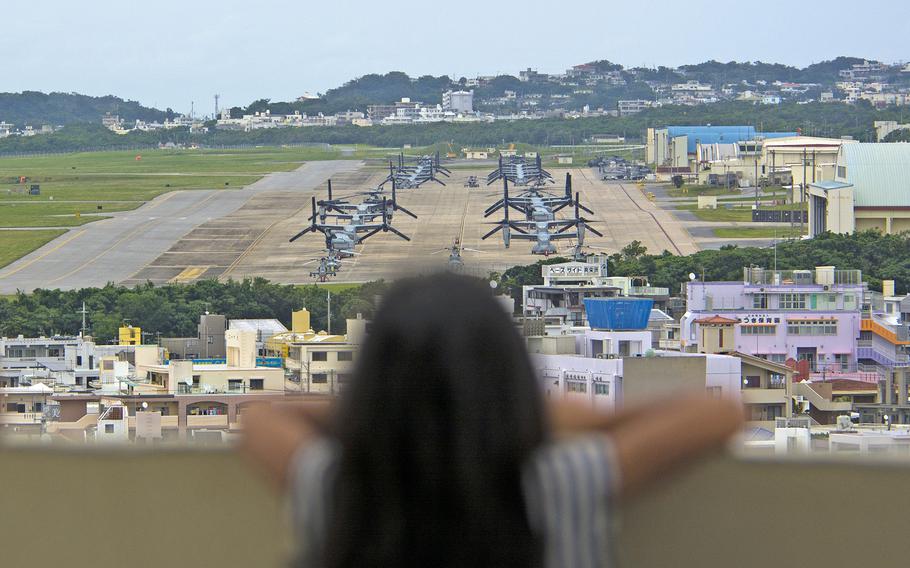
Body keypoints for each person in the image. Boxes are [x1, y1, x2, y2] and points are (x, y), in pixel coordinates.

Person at [242, 273, 743, 568]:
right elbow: (717, 412)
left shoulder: (338, 490)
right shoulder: (556, 484)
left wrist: (397, 409)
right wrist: (528, 413)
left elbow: (263, 418)